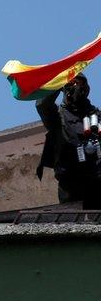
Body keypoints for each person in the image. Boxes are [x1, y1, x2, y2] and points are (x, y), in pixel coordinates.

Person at [36, 74, 101, 208]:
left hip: (96, 179)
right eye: (73, 84)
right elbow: (42, 104)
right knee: (72, 220)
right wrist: (59, 82)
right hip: (70, 181)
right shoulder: (57, 116)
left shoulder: (95, 114)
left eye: (81, 83)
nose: (78, 88)